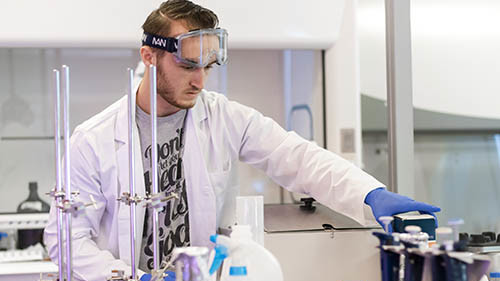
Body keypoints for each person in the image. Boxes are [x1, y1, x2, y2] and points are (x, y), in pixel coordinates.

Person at [44, 1, 440, 280]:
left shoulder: (223, 117)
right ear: (149, 56)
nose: (199, 80)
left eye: (208, 66)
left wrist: (371, 195)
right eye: (187, 65)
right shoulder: (93, 140)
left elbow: (297, 157)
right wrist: (132, 277)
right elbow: (66, 241)